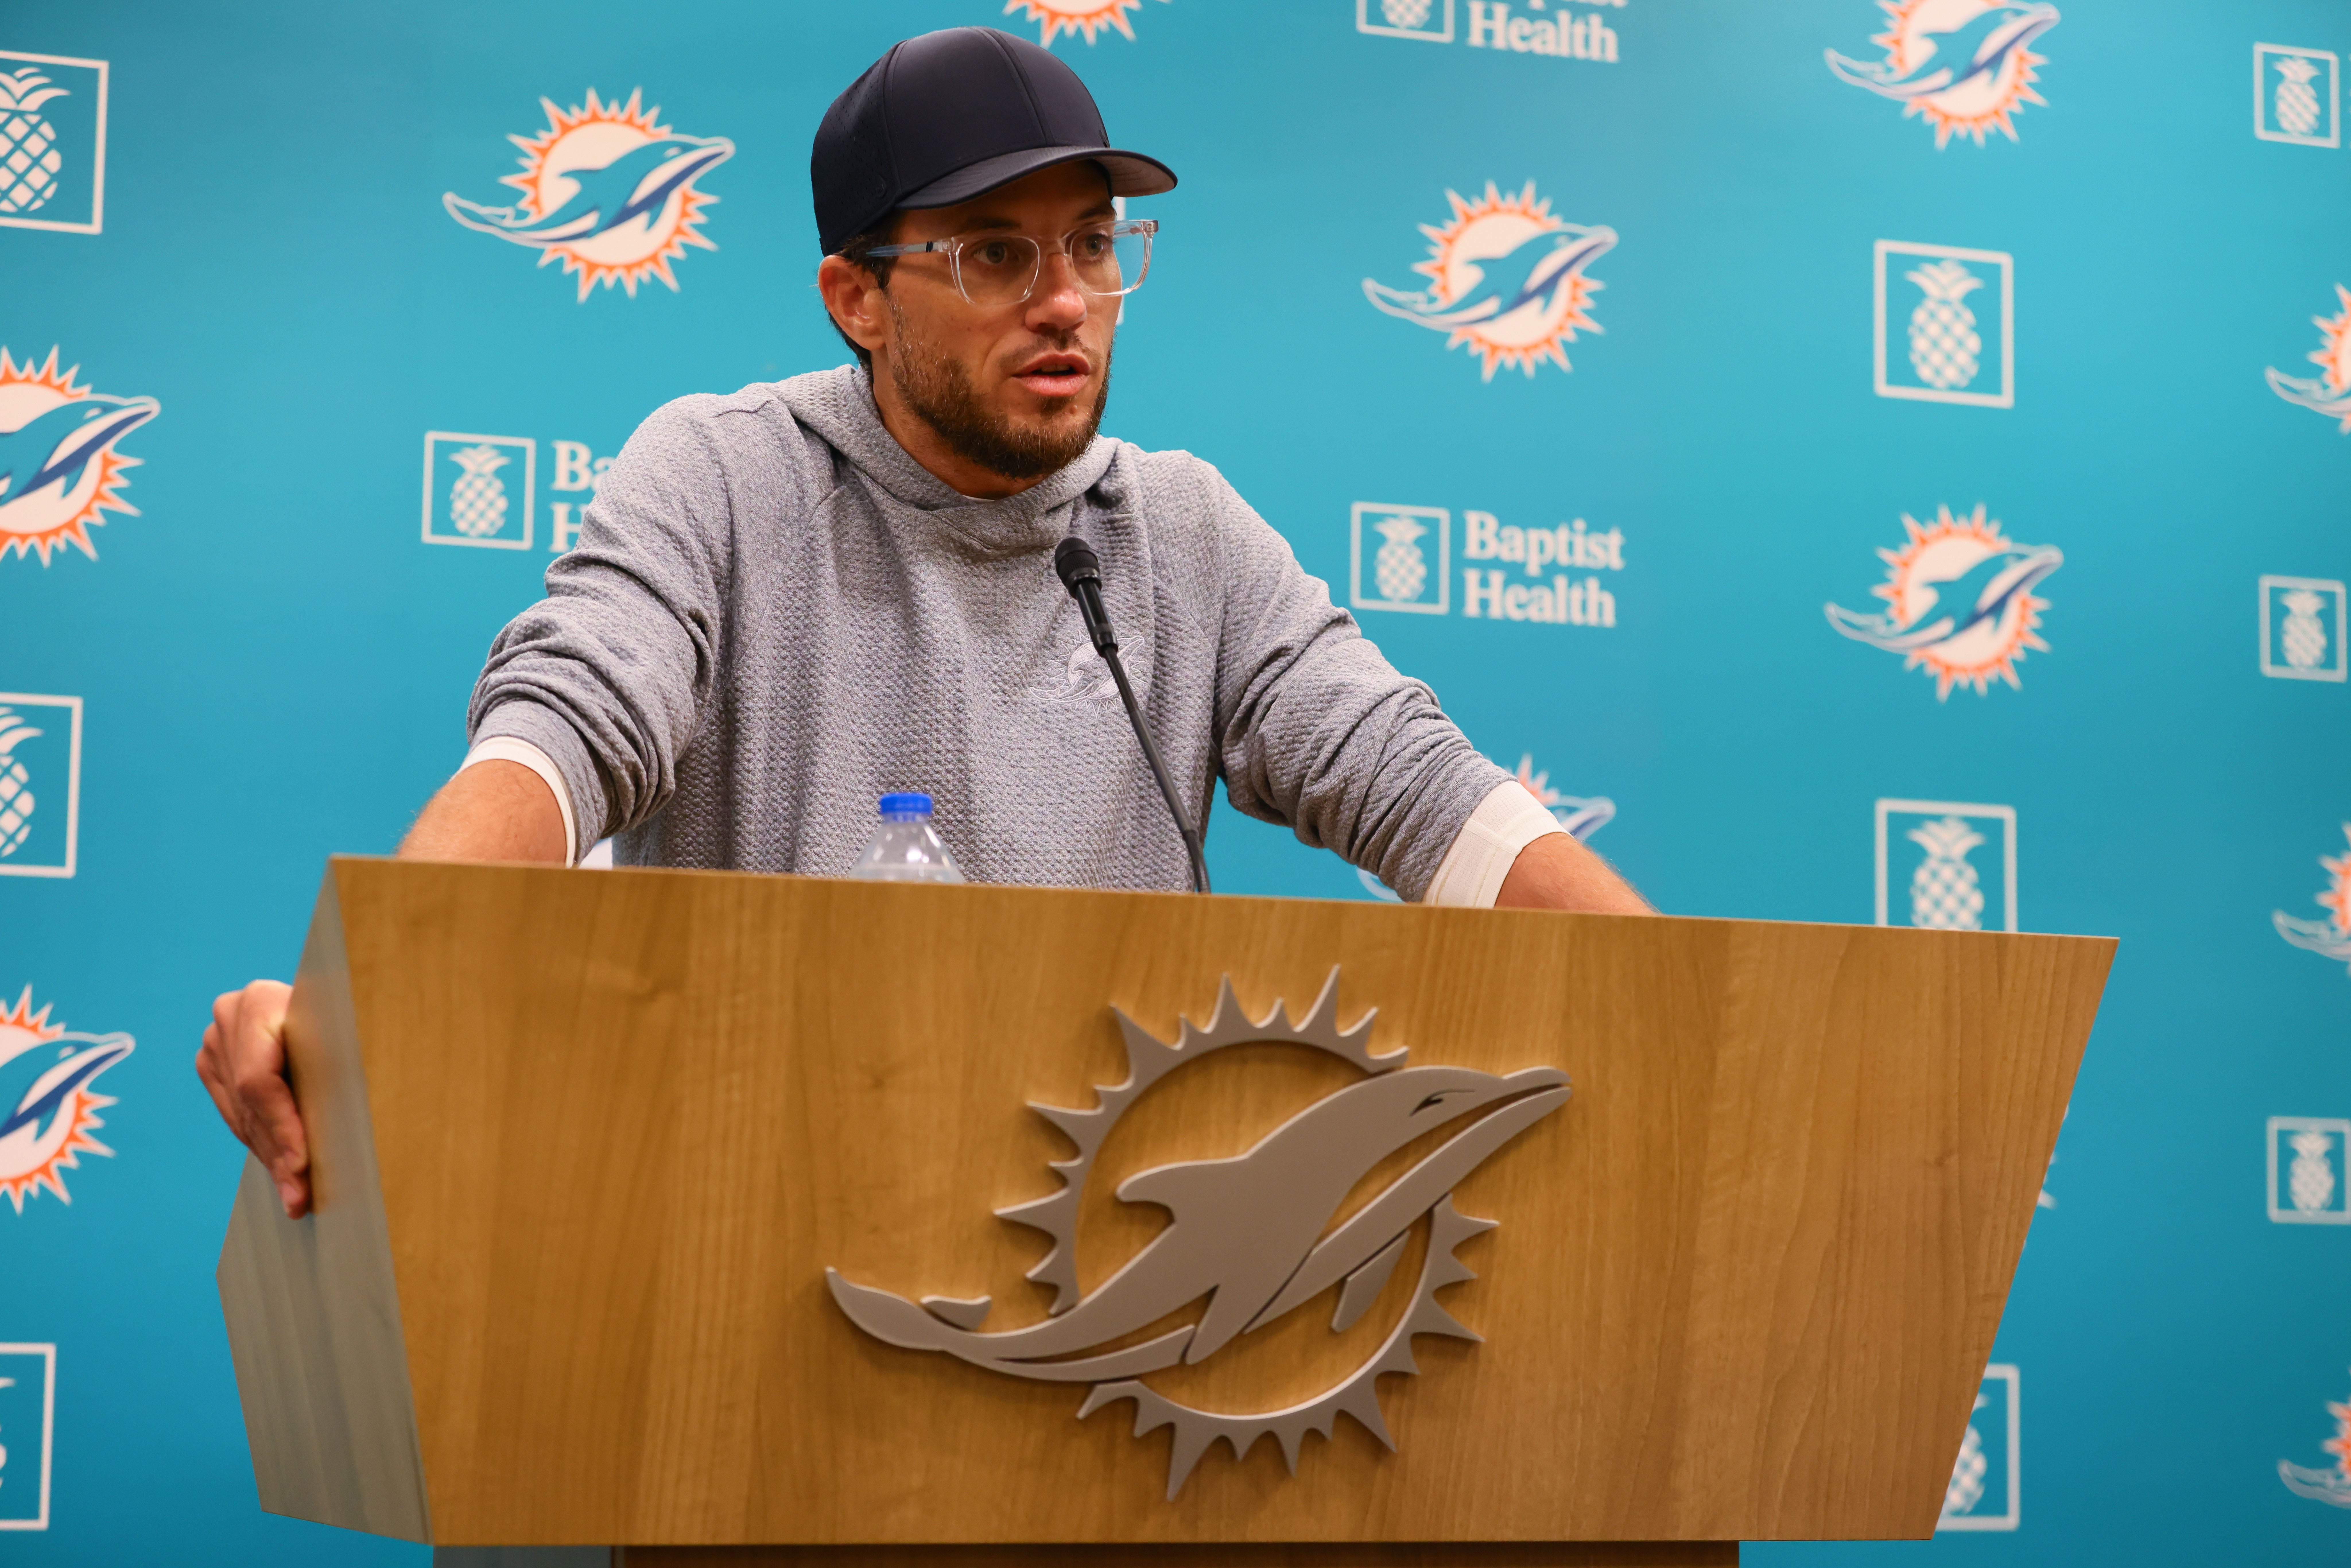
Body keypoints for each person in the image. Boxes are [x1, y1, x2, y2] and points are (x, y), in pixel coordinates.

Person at [196, 26, 1649, 1219]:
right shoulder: (721, 474)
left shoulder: (1183, 531)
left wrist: (1685, 1020)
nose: (1066, 302)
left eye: (1091, 244)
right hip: (763, 1230)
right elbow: (566, 732)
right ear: (857, 298)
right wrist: (376, 988)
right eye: (992, 256)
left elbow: (1428, 797)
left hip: (1117, 1278)